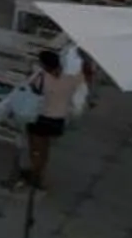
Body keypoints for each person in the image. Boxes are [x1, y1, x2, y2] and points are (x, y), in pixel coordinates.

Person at [15, 47, 85, 190]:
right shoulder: (69, 79)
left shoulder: (41, 78)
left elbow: (30, 88)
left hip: (41, 118)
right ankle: (39, 173)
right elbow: (81, 78)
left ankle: (35, 176)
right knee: (45, 148)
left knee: (35, 148)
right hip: (58, 119)